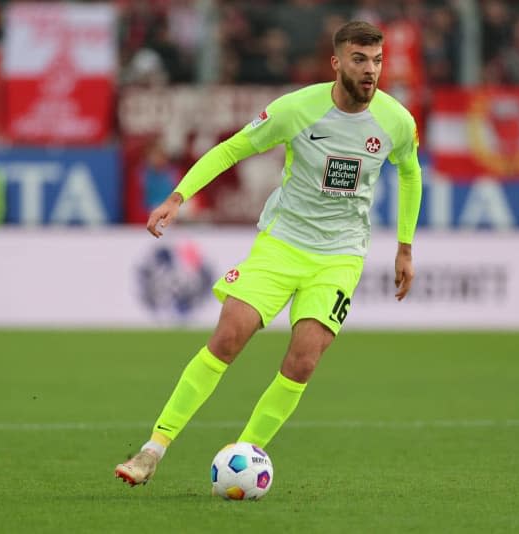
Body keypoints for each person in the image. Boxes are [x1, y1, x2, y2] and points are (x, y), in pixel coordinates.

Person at [114, 20, 422, 486]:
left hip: (339, 257)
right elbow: (232, 150)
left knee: (303, 361)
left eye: (377, 61)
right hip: (282, 245)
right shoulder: (297, 109)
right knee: (227, 338)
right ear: (337, 62)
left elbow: (410, 173)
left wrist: (404, 247)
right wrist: (177, 197)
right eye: (360, 60)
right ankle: (152, 450)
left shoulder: (396, 121)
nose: (371, 71)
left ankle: (244, 456)